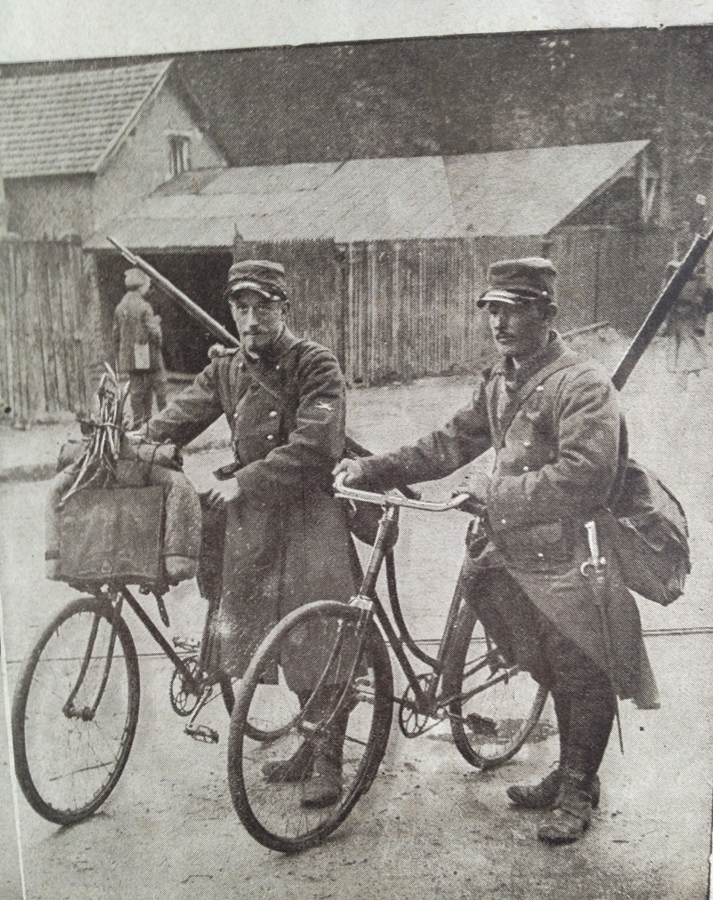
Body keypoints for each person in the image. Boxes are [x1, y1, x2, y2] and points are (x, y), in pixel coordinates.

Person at [335, 257, 659, 844]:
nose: (499, 323)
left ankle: (580, 783)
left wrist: (494, 490)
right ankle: (564, 769)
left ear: (546, 314)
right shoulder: (500, 379)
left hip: (568, 558)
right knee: (536, 660)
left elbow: (585, 478)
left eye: (513, 310)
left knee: (581, 667)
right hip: (505, 556)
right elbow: (448, 443)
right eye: (492, 310)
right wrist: (373, 470)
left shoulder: (581, 384)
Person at [145, 259, 358, 809]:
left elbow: (318, 446)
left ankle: (328, 757)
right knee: (271, 637)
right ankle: (310, 744)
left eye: (264, 305)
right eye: (241, 307)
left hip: (310, 517)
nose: (251, 317)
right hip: (257, 526)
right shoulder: (228, 369)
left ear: (284, 308)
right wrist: (133, 439)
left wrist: (247, 480)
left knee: (318, 637)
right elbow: (177, 416)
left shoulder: (315, 363)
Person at [113, 268, 167, 427]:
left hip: (130, 356)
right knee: (160, 389)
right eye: (147, 285)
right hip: (148, 355)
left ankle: (139, 424)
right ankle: (163, 424)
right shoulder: (144, 307)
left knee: (137, 392)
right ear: (140, 286)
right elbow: (155, 334)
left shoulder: (120, 307)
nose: (148, 288)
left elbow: (115, 335)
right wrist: (157, 326)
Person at [663, 260, 713, 389]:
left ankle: (684, 378)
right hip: (677, 320)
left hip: (690, 319)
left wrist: (699, 318)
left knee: (687, 350)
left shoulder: (700, 283)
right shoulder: (673, 284)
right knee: (679, 349)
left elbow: (707, 302)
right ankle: (685, 376)